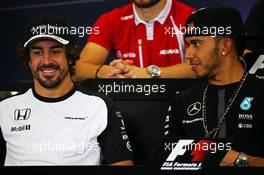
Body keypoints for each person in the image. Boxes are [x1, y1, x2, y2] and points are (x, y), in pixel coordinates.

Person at [0, 16, 133, 166]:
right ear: (29, 60)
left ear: (69, 57)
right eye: (37, 52)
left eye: (55, 51)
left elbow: (123, 164)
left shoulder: (99, 106)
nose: (46, 61)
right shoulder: (5, 109)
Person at [164, 6, 264, 166]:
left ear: (225, 46)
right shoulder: (182, 101)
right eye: (188, 45)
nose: (188, 55)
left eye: (196, 44)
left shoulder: (260, 92)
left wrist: (240, 160)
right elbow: (168, 162)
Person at [74, 0, 196, 80]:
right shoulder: (110, 20)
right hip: (131, 105)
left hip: (179, 105)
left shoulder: (190, 17)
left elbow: (203, 66)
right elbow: (78, 69)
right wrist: (107, 72)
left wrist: (149, 73)